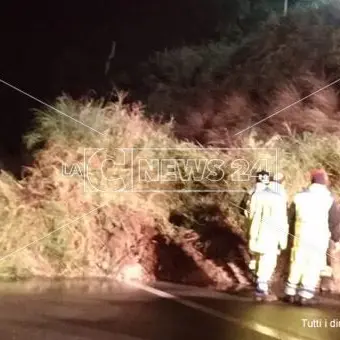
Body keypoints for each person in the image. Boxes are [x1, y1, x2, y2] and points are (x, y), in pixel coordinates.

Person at [284, 169, 340, 305]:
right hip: (319, 236)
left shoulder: (299, 196)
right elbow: (334, 221)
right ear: (324, 182)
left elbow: (290, 217)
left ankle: (290, 292)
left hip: (300, 234)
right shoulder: (329, 199)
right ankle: (305, 295)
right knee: (313, 264)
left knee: (297, 261)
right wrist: (336, 239)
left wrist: (290, 234)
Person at [247, 177, 289, 301]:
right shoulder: (279, 198)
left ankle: (259, 285)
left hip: (256, 232)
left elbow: (250, 214)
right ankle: (262, 290)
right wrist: (283, 241)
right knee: (268, 262)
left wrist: (250, 230)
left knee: (259, 258)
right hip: (271, 235)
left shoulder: (257, 194)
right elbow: (282, 221)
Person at [240, 170, 271, 273]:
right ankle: (260, 269)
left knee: (251, 241)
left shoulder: (250, 191)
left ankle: (253, 261)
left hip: (250, 222)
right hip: (265, 224)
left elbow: (241, 208)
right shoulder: (272, 193)